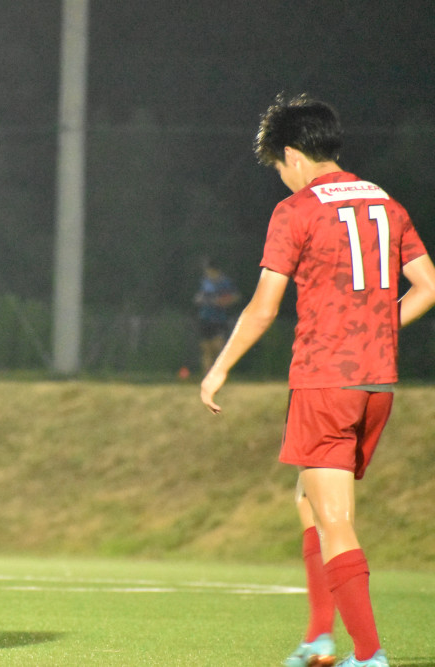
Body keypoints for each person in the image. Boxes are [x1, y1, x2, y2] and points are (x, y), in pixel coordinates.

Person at [200, 94, 435, 667]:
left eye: (278, 167)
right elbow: (429, 286)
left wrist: (219, 367)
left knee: (335, 521)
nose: (282, 178)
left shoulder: (297, 210)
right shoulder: (386, 203)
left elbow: (262, 308)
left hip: (325, 381)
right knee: (308, 500)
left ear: (292, 155)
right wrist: (377, 325)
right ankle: (318, 636)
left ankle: (369, 654)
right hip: (376, 384)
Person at [193, 259, 240, 374]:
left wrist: (222, 301)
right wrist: (200, 299)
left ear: (214, 270)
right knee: (206, 349)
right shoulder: (205, 282)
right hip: (205, 318)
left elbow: (235, 296)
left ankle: (220, 373)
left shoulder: (224, 282)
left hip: (219, 319)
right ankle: (207, 376)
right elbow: (199, 297)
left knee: (219, 347)